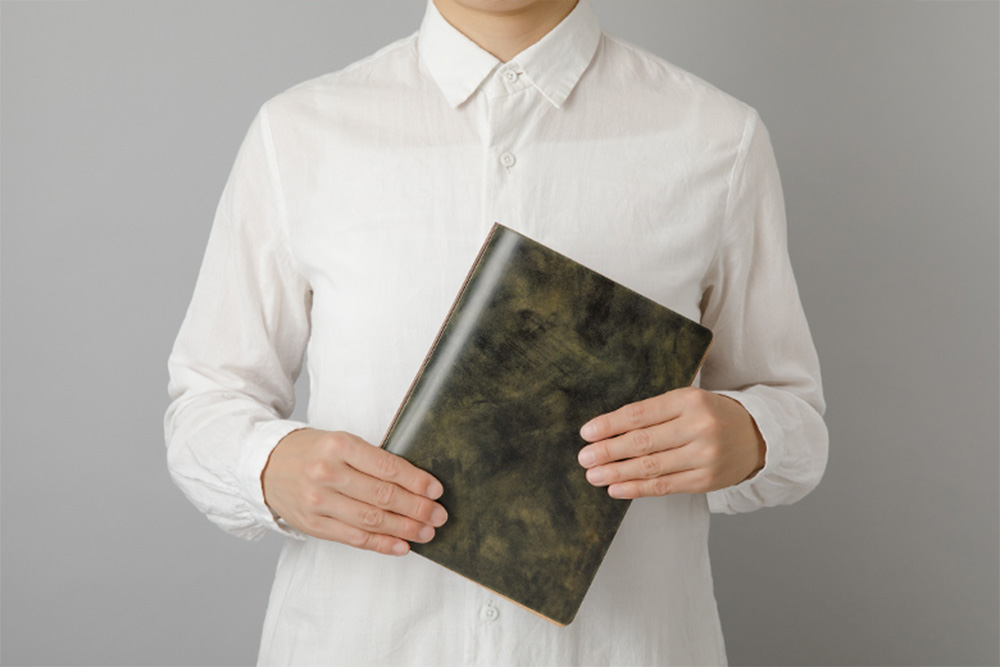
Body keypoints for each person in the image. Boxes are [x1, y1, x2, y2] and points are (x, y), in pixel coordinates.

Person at [165, 0, 828, 664]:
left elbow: (796, 414)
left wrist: (749, 434)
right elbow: (206, 402)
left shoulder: (716, 137)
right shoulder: (301, 133)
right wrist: (268, 467)